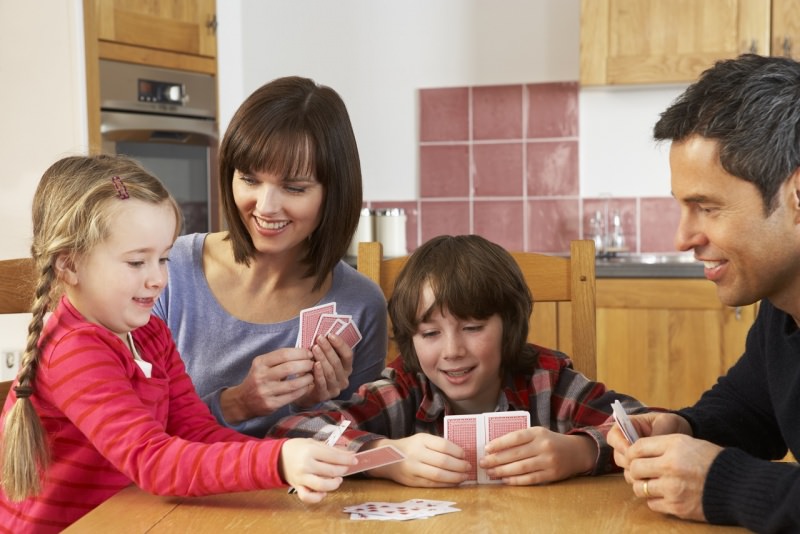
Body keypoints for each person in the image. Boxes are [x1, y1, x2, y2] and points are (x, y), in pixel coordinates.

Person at [0, 155, 356, 532]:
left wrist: (284, 463)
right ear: (68, 265)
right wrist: (278, 461)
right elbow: (154, 462)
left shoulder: (149, 333)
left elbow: (197, 432)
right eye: (138, 262)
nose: (158, 279)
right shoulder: (74, 350)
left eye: (164, 258)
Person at [268, 234, 646, 486]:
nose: (451, 351)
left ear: (509, 326)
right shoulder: (405, 387)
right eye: (430, 334)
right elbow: (291, 430)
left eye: (473, 327)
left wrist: (579, 452)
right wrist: (386, 458)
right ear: (411, 341)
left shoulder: (547, 381)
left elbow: (645, 427)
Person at [607, 54, 800, 532]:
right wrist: (685, 428)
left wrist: (721, 485)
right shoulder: (782, 313)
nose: (683, 237)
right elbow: (749, 410)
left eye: (707, 208)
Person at [153, 76, 387, 437]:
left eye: (294, 187)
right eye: (249, 179)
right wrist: (236, 403)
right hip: (173, 490)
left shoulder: (361, 304)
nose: (265, 206)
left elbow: (361, 447)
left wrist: (318, 409)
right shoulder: (168, 269)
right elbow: (132, 430)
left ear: (334, 192)